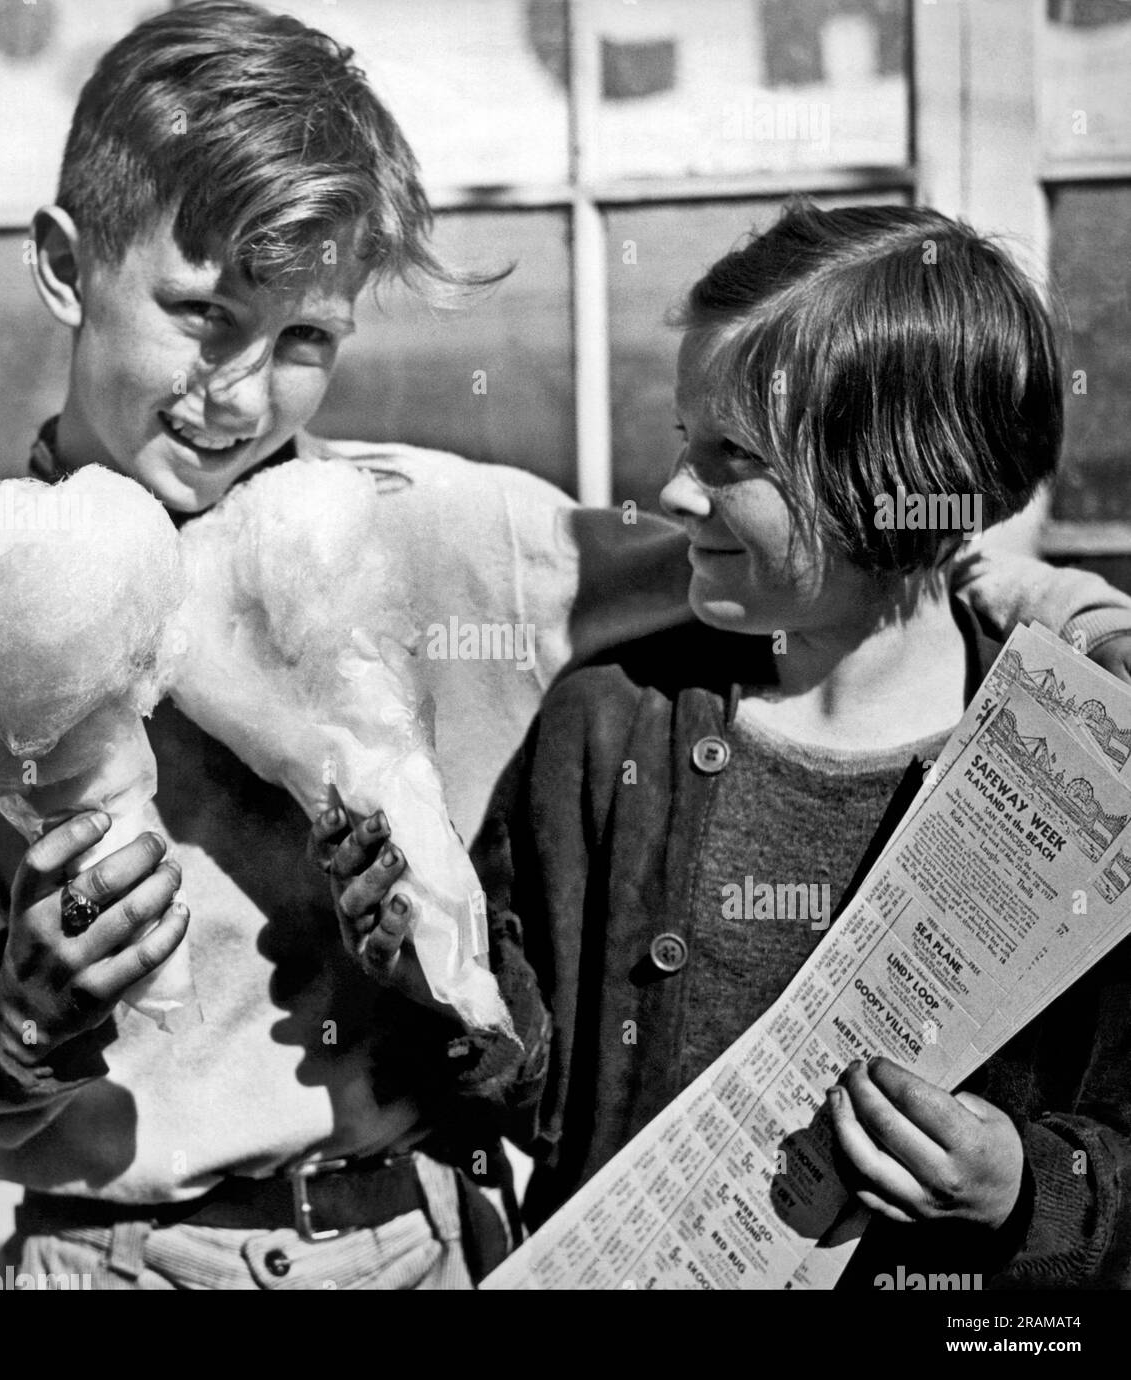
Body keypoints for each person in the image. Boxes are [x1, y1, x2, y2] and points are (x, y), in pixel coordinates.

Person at [0, 4, 1129, 1291]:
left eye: (303, 340)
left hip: (429, 1243)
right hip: (105, 1259)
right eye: (200, 312)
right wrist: (12, 1009)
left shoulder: (432, 537)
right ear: (65, 261)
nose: (236, 390)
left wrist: (1071, 627)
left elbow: (829, 542)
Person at [450, 202, 1131, 1287]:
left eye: (734, 457)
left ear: (898, 486)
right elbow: (516, 1084)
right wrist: (431, 980)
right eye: (685, 439)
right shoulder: (606, 725)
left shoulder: (1085, 779)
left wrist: (1022, 1186)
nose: (674, 490)